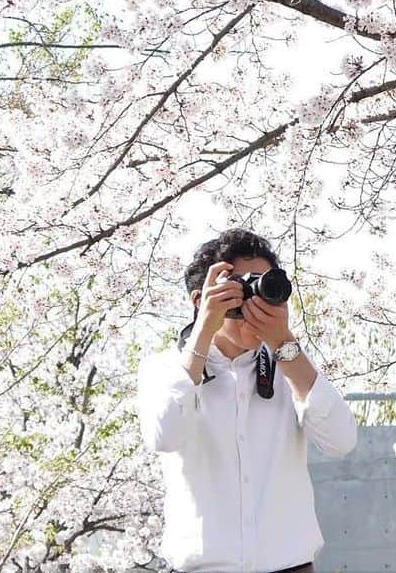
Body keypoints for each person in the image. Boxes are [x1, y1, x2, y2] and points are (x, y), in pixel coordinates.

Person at [136, 228, 358, 573]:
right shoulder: (164, 369)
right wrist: (203, 333)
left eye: (263, 287)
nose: (254, 302)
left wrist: (284, 343)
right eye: (239, 289)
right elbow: (165, 435)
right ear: (201, 299)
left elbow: (341, 442)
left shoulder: (292, 366)